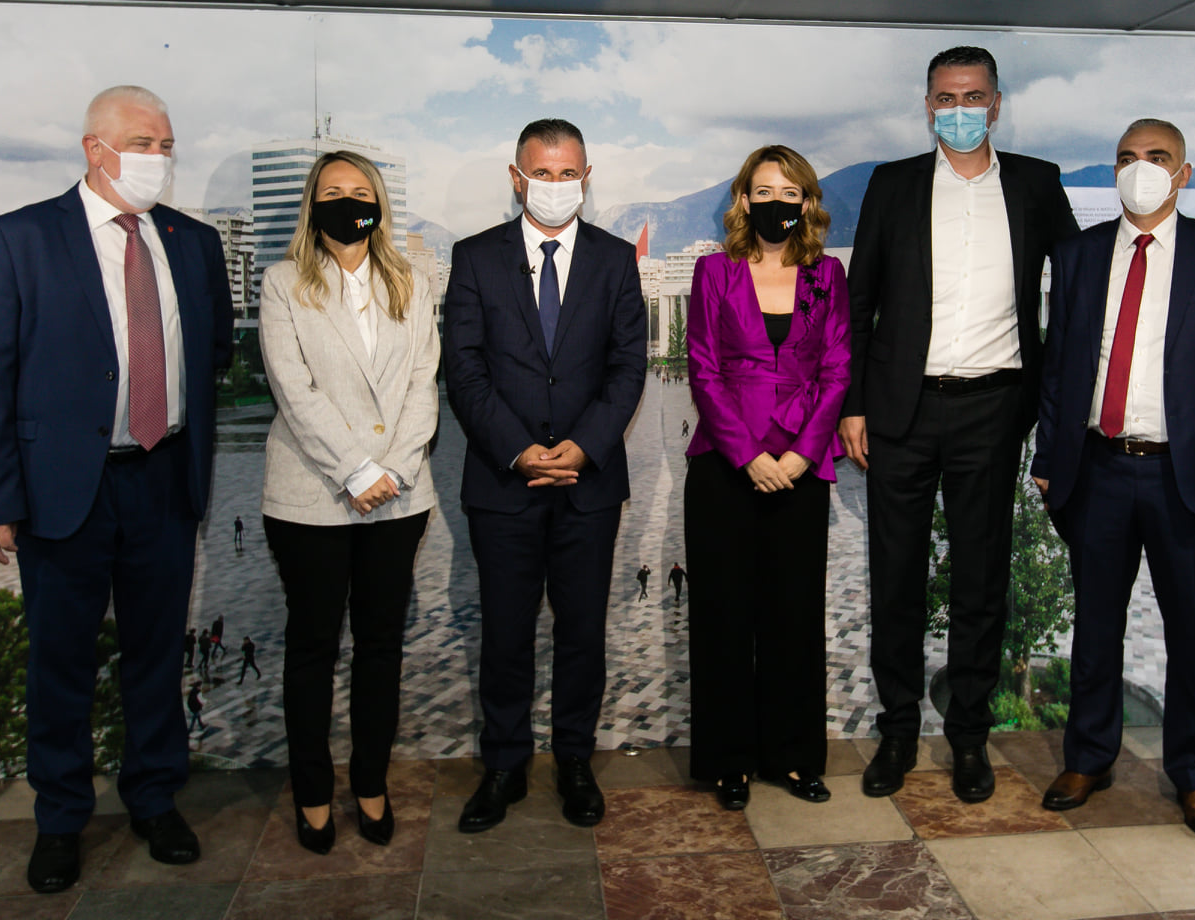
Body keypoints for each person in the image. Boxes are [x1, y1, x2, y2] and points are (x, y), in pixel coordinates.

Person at [0, 85, 232, 894]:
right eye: (143, 143)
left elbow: (215, 350)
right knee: (61, 664)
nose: (159, 158)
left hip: (164, 478)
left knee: (155, 655)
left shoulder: (194, 242)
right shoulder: (19, 238)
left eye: (167, 144)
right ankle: (59, 820)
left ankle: (154, 799)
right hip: (61, 490)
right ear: (96, 148)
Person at [840, 46, 1079, 803]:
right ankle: (897, 731)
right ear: (927, 106)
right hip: (901, 409)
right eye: (945, 98)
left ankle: (969, 737)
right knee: (896, 579)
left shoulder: (1037, 183)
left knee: (982, 579)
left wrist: (1058, 402)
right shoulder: (893, 184)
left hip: (994, 409)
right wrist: (853, 403)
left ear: (997, 104)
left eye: (973, 97)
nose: (959, 111)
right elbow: (858, 300)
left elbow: (1077, 287)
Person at [1030, 119, 1195, 838]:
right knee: (1095, 627)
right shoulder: (1077, 255)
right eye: (1128, 158)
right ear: (1113, 171)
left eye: (1157, 157)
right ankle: (1088, 758)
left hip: (1184, 476)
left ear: (1183, 173)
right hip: (1097, 469)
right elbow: (1058, 365)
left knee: (1190, 632)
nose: (1142, 168)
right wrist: (1047, 458)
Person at [444, 118, 646, 833]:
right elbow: (463, 369)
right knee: (505, 633)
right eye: (542, 173)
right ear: (516, 177)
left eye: (568, 174)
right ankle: (503, 765)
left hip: (590, 485)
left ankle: (574, 760)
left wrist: (584, 447)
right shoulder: (474, 258)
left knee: (582, 632)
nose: (555, 186)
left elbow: (628, 367)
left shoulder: (616, 260)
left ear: (585, 178)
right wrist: (518, 449)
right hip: (504, 483)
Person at [259, 149, 440, 855]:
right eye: (332, 191)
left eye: (360, 192)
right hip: (311, 496)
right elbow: (293, 388)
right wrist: (355, 469)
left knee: (380, 648)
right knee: (312, 647)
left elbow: (424, 381)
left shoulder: (412, 281)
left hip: (397, 496)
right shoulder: (283, 283)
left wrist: (390, 469)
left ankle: (370, 783)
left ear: (379, 205)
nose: (347, 202)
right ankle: (311, 792)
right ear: (313, 204)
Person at [685, 145, 851, 811]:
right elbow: (702, 369)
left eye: (789, 192)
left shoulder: (828, 275)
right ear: (743, 200)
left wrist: (802, 455)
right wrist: (748, 455)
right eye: (763, 191)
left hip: (802, 469)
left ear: (806, 202)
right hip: (726, 466)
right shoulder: (713, 271)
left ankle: (795, 756)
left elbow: (837, 370)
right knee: (723, 617)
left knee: (795, 616)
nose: (775, 202)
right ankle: (728, 761)